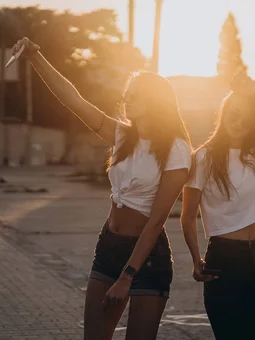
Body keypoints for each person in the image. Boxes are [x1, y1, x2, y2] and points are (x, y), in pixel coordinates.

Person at [10, 38, 192, 340]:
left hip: (146, 258)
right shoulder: (122, 135)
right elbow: (74, 100)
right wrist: (35, 57)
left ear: (155, 100)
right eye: (126, 95)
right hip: (109, 247)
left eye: (134, 95)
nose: (126, 100)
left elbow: (157, 219)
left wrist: (127, 277)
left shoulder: (177, 149)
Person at [180, 74, 255, 340]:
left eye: (245, 116)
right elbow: (187, 217)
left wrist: (254, 90)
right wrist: (196, 259)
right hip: (224, 258)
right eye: (233, 113)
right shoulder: (204, 157)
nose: (238, 120)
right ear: (223, 114)